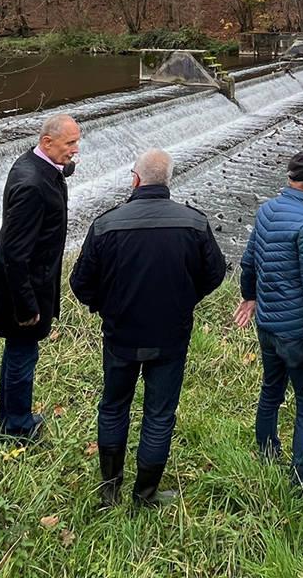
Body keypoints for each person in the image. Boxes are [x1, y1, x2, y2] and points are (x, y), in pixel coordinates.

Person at [70, 149, 226, 507]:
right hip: (170, 335)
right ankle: (145, 495)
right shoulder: (194, 222)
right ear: (167, 181)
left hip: (121, 333)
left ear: (135, 179)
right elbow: (214, 275)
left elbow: (81, 284)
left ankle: (109, 490)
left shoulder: (106, 224)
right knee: (159, 414)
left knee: (113, 407)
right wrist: (184, 300)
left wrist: (107, 306)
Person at [233, 148, 303, 494]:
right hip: (299, 334)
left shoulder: (266, 211)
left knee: (271, 389)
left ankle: (267, 454)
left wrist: (250, 297)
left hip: (267, 326)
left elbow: (248, 262)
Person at [0, 113, 80, 442]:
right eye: (70, 143)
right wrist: (26, 306)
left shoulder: (34, 165)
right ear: (47, 143)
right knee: (23, 355)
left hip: (30, 285)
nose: (76, 149)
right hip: (22, 291)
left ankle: (10, 418)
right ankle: (18, 427)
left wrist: (64, 165)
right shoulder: (32, 185)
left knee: (17, 352)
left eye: (77, 141)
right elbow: (14, 253)